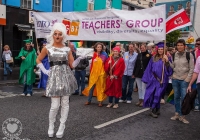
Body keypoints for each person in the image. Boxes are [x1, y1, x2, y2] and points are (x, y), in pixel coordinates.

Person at [36, 23, 84, 138]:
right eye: (55, 34)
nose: (57, 36)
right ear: (53, 35)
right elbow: (38, 59)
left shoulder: (67, 49)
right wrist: (44, 70)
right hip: (54, 78)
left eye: (60, 34)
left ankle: (62, 125)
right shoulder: (47, 48)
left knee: (65, 103)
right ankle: (51, 126)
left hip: (66, 76)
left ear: (63, 36)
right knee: (55, 105)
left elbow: (72, 65)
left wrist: (79, 59)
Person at [142, 42, 173, 118]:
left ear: (164, 50)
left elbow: (170, 71)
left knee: (158, 94)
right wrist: (147, 78)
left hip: (162, 80)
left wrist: (166, 62)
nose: (160, 50)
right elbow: (149, 69)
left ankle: (154, 109)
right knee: (151, 94)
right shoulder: (153, 58)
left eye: (161, 49)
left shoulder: (167, 58)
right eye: (159, 49)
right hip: (153, 79)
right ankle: (155, 109)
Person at [169, 39, 194, 124]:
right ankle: (177, 113)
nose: (179, 47)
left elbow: (192, 68)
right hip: (175, 79)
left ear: (184, 46)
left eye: (181, 45)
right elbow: (173, 66)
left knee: (184, 98)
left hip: (184, 80)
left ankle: (183, 116)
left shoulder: (189, 55)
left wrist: (187, 79)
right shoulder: (174, 54)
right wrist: (168, 61)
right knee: (176, 97)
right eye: (178, 45)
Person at [82, 42, 108, 107]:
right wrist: (91, 72)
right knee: (91, 87)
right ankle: (89, 100)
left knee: (100, 87)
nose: (99, 48)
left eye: (100, 47)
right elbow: (92, 65)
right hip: (93, 73)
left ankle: (100, 101)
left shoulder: (104, 54)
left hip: (101, 74)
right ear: (96, 48)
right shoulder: (94, 54)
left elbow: (105, 63)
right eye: (98, 47)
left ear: (102, 48)